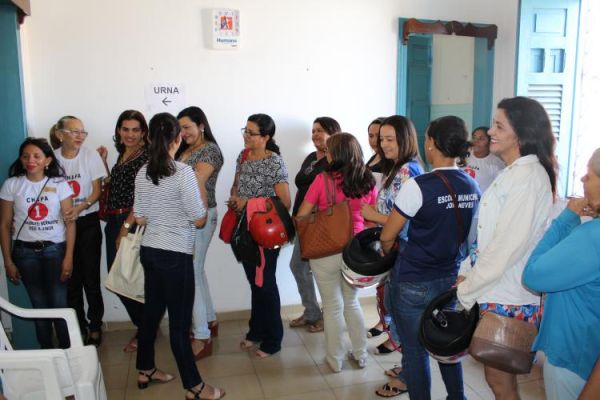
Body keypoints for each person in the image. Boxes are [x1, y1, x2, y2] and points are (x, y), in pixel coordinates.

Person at [456, 97, 558, 400]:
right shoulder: (513, 172)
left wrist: (467, 289)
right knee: (498, 380)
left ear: (522, 134)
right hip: (496, 288)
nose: (490, 132)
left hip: (510, 295)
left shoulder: (528, 177)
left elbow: (506, 247)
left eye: (499, 126)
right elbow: (486, 237)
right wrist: (467, 271)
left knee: (500, 381)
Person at [379, 116, 480, 399]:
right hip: (450, 280)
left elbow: (387, 235)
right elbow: (473, 239)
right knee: (447, 346)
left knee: (415, 352)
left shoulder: (418, 185)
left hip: (413, 279)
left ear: (432, 143)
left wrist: (388, 254)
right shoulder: (472, 185)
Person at [134, 112, 224, 399]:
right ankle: (195, 387)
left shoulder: (143, 171)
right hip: (175, 255)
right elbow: (199, 219)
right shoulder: (183, 172)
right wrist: (194, 201)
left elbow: (140, 217)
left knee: (151, 314)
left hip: (150, 251)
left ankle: (145, 368)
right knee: (179, 325)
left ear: (149, 138)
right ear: (177, 139)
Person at [522, 148, 600, 400]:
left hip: (573, 353)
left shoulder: (593, 237)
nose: (583, 180)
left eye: (589, 175)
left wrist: (566, 219)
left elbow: (533, 275)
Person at [296, 132, 377, 373]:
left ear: (336, 154)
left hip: (326, 250)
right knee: (351, 302)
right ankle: (361, 354)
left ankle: (335, 359)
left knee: (332, 306)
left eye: (329, 150)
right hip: (356, 250)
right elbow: (372, 219)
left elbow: (302, 215)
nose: (327, 154)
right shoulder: (368, 180)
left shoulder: (322, 180)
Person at [0, 138, 75, 349]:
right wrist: (8, 261)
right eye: (25, 156)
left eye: (36, 156)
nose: (30, 160)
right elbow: (4, 225)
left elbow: (70, 223)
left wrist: (69, 257)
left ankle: (68, 352)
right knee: (38, 305)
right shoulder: (12, 184)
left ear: (47, 160)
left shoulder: (59, 184)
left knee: (60, 304)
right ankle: (47, 352)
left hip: (55, 250)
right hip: (25, 253)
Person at [360, 116, 423, 366]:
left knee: (399, 306)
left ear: (405, 140)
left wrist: (372, 214)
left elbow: (404, 220)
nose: (383, 144)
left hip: (402, 247)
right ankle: (402, 355)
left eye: (389, 139)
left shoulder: (408, 170)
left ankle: (408, 366)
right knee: (390, 300)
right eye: (381, 139)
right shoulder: (396, 167)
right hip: (393, 246)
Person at [228, 113, 291, 358]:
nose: (246, 136)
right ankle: (256, 331)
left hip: (266, 231)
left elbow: (284, 201)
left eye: (251, 133)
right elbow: (236, 185)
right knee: (255, 283)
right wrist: (235, 197)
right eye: (245, 130)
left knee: (265, 284)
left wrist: (249, 203)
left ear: (266, 137)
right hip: (244, 229)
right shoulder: (242, 156)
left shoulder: (274, 161)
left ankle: (273, 340)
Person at [52, 116, 106, 346]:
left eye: (82, 132)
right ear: (59, 134)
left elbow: (97, 191)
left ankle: (95, 326)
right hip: (62, 225)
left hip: (88, 222)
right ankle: (79, 327)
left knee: (91, 279)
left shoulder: (90, 156)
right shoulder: (51, 159)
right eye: (74, 132)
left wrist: (80, 207)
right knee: (71, 279)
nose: (79, 136)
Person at [98, 109, 149, 352]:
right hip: (114, 220)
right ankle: (146, 325)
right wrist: (104, 164)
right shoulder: (124, 154)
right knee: (118, 277)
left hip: (131, 221)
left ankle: (145, 328)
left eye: (135, 130)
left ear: (143, 132)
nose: (130, 134)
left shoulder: (146, 156)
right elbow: (117, 186)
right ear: (118, 130)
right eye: (125, 129)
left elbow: (143, 196)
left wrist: (125, 228)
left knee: (128, 278)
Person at [175, 106, 224, 359]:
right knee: (197, 270)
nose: (183, 132)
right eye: (180, 128)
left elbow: (196, 183)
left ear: (201, 126)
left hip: (201, 217)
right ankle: (210, 320)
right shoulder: (184, 151)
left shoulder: (209, 150)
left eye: (187, 127)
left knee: (191, 272)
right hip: (187, 217)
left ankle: (202, 336)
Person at [288, 116, 341, 333]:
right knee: (299, 266)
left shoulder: (335, 161)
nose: (315, 135)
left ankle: (328, 316)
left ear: (333, 133)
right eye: (313, 131)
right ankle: (312, 312)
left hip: (320, 223)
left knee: (324, 272)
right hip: (303, 221)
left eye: (320, 130)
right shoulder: (311, 157)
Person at [463, 126, 505, 193]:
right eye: (474, 137)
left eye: (481, 139)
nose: (476, 141)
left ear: (490, 142)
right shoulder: (463, 156)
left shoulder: (497, 164)